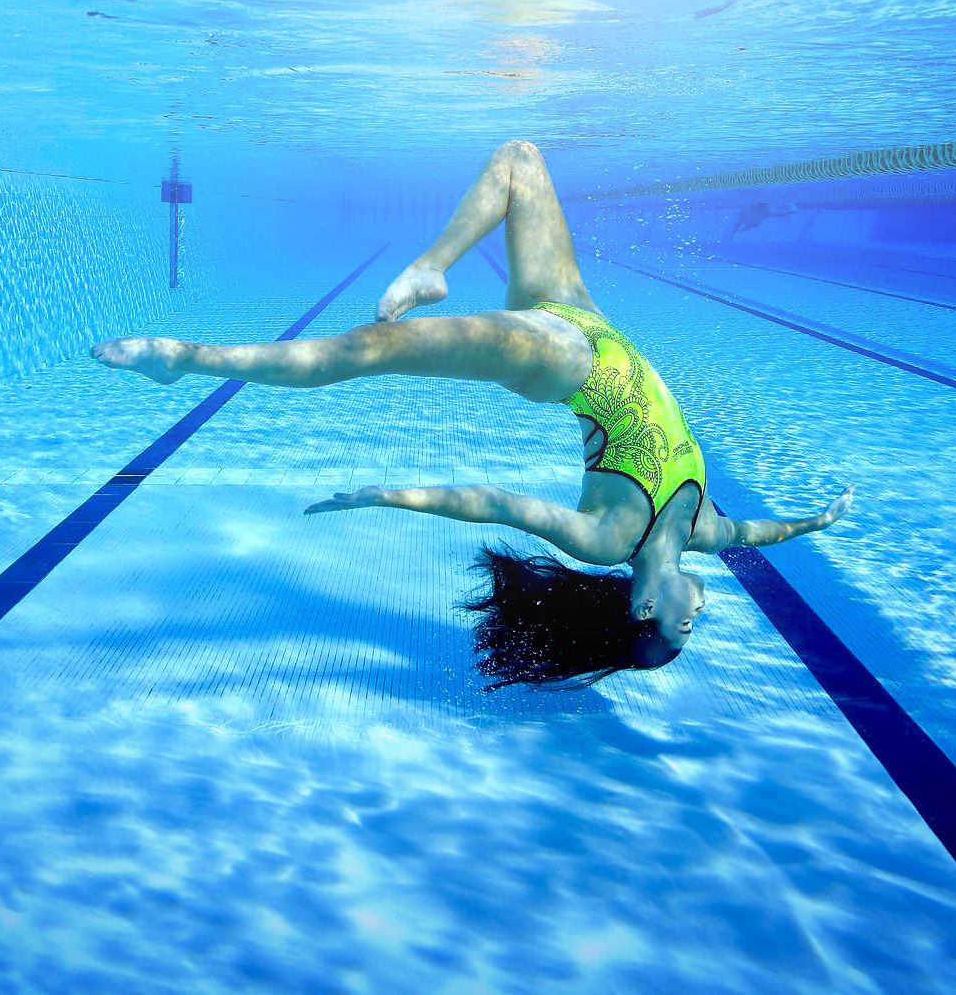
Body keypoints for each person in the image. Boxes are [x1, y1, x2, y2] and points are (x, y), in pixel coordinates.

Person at [93, 140, 853, 689]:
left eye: (678, 627)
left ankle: (184, 358)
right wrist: (817, 521)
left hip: (563, 359)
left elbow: (495, 505)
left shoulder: (607, 537)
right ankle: (433, 264)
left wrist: (391, 494)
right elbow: (765, 532)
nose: (698, 616)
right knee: (520, 157)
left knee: (365, 350)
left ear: (644, 604)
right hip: (586, 316)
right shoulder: (706, 534)